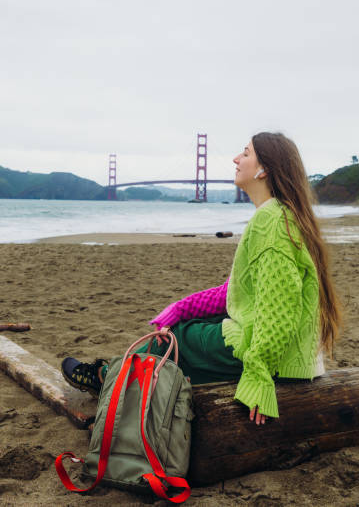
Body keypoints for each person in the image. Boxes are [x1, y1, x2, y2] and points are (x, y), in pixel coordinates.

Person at [62, 132, 342, 425]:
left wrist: (259, 375)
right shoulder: (282, 214)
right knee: (185, 327)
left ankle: (105, 378)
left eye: (245, 153)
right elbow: (237, 291)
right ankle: (117, 378)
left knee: (171, 341)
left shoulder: (270, 221)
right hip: (291, 356)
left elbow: (280, 309)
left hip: (276, 361)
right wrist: (182, 307)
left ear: (264, 170)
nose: (235, 159)